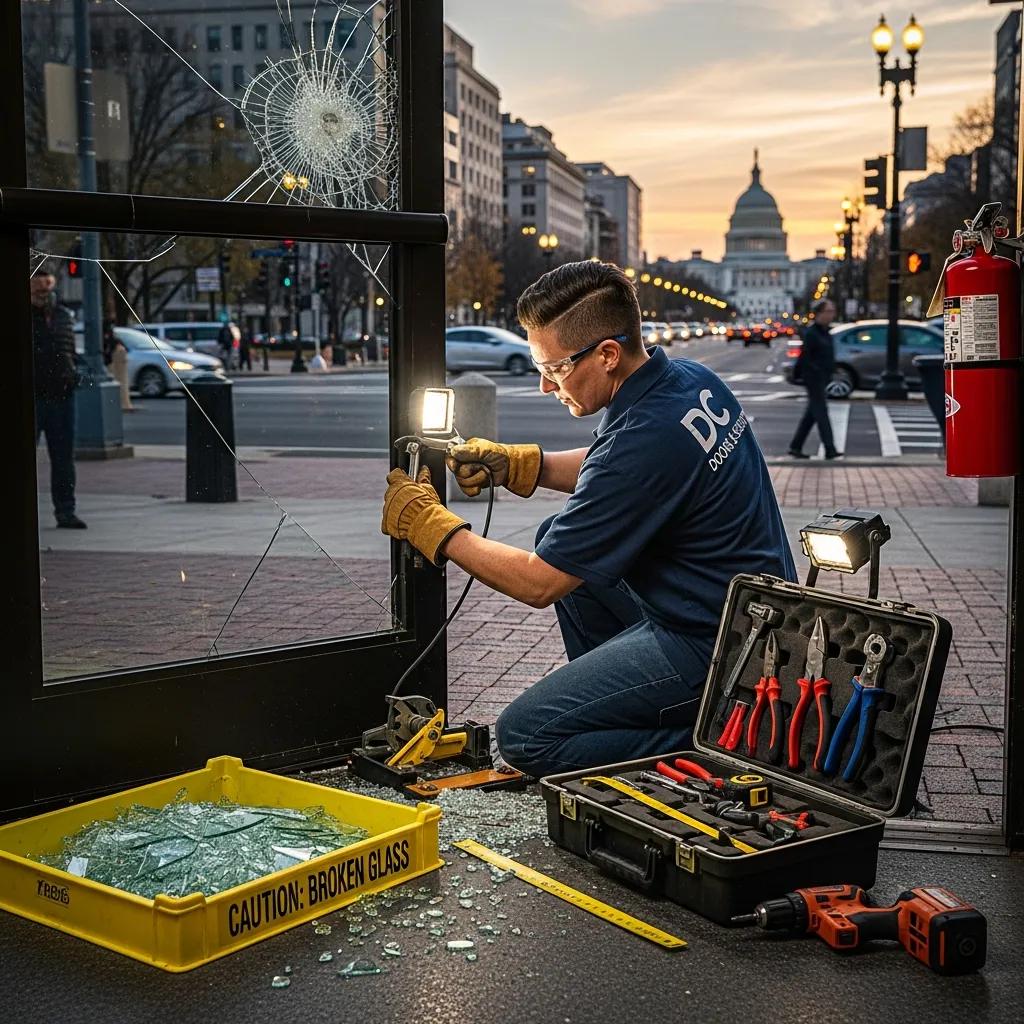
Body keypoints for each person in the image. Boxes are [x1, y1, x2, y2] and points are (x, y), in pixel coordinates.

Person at [381, 261, 795, 779]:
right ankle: (629, 709)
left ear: (606, 354)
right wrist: (519, 464)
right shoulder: (687, 380)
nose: (544, 386)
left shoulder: (643, 440)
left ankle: (725, 738)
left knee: (527, 735)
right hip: (752, 617)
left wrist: (434, 528)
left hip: (715, 646)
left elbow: (541, 582)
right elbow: (618, 471)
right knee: (554, 537)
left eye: (554, 369)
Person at [32, 269, 86, 529]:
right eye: (38, 284)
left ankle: (66, 511)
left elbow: (70, 351)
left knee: (64, 459)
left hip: (62, 395)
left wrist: (76, 373)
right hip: (31, 395)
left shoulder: (63, 315)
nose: (44, 288)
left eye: (47, 282)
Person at [788, 299, 842, 459]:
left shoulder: (826, 332)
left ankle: (795, 446)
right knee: (822, 413)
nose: (832, 314)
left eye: (833, 311)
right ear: (819, 314)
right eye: (829, 311)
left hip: (822, 377)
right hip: (814, 378)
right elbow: (806, 357)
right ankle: (830, 449)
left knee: (812, 414)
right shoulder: (811, 333)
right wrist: (812, 371)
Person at [103, 317, 135, 412]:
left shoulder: (106, 336)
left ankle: (122, 404)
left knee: (117, 381)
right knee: (123, 382)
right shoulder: (115, 339)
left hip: (114, 358)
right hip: (119, 356)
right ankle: (125, 403)